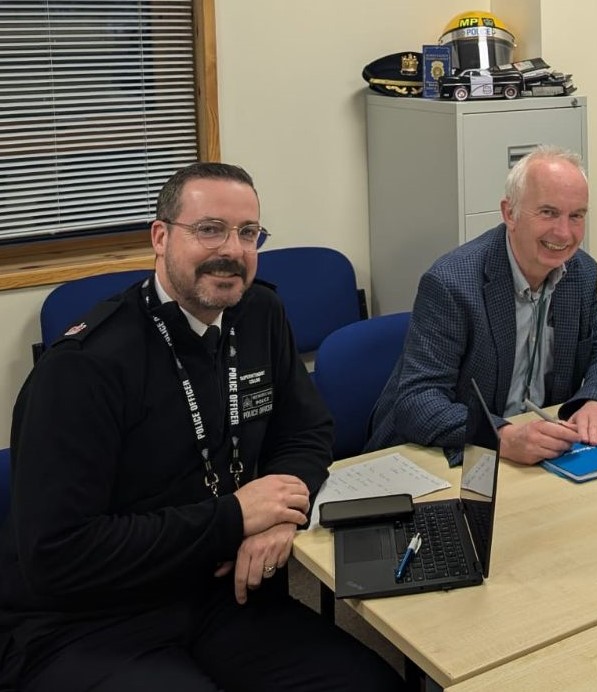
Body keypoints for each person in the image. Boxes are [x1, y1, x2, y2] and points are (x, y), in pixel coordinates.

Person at [0, 163, 402, 691]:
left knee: (369, 682)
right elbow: (59, 554)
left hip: (222, 592)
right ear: (161, 237)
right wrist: (234, 518)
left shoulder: (259, 312)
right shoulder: (84, 366)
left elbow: (306, 432)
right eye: (209, 229)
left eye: (248, 233)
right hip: (92, 619)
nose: (232, 250)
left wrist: (283, 511)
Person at [366, 145, 597, 465]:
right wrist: (502, 436)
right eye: (548, 212)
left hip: (538, 456)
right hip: (441, 457)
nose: (564, 233)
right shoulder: (452, 282)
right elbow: (417, 401)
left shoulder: (580, 273)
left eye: (576, 216)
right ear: (510, 213)